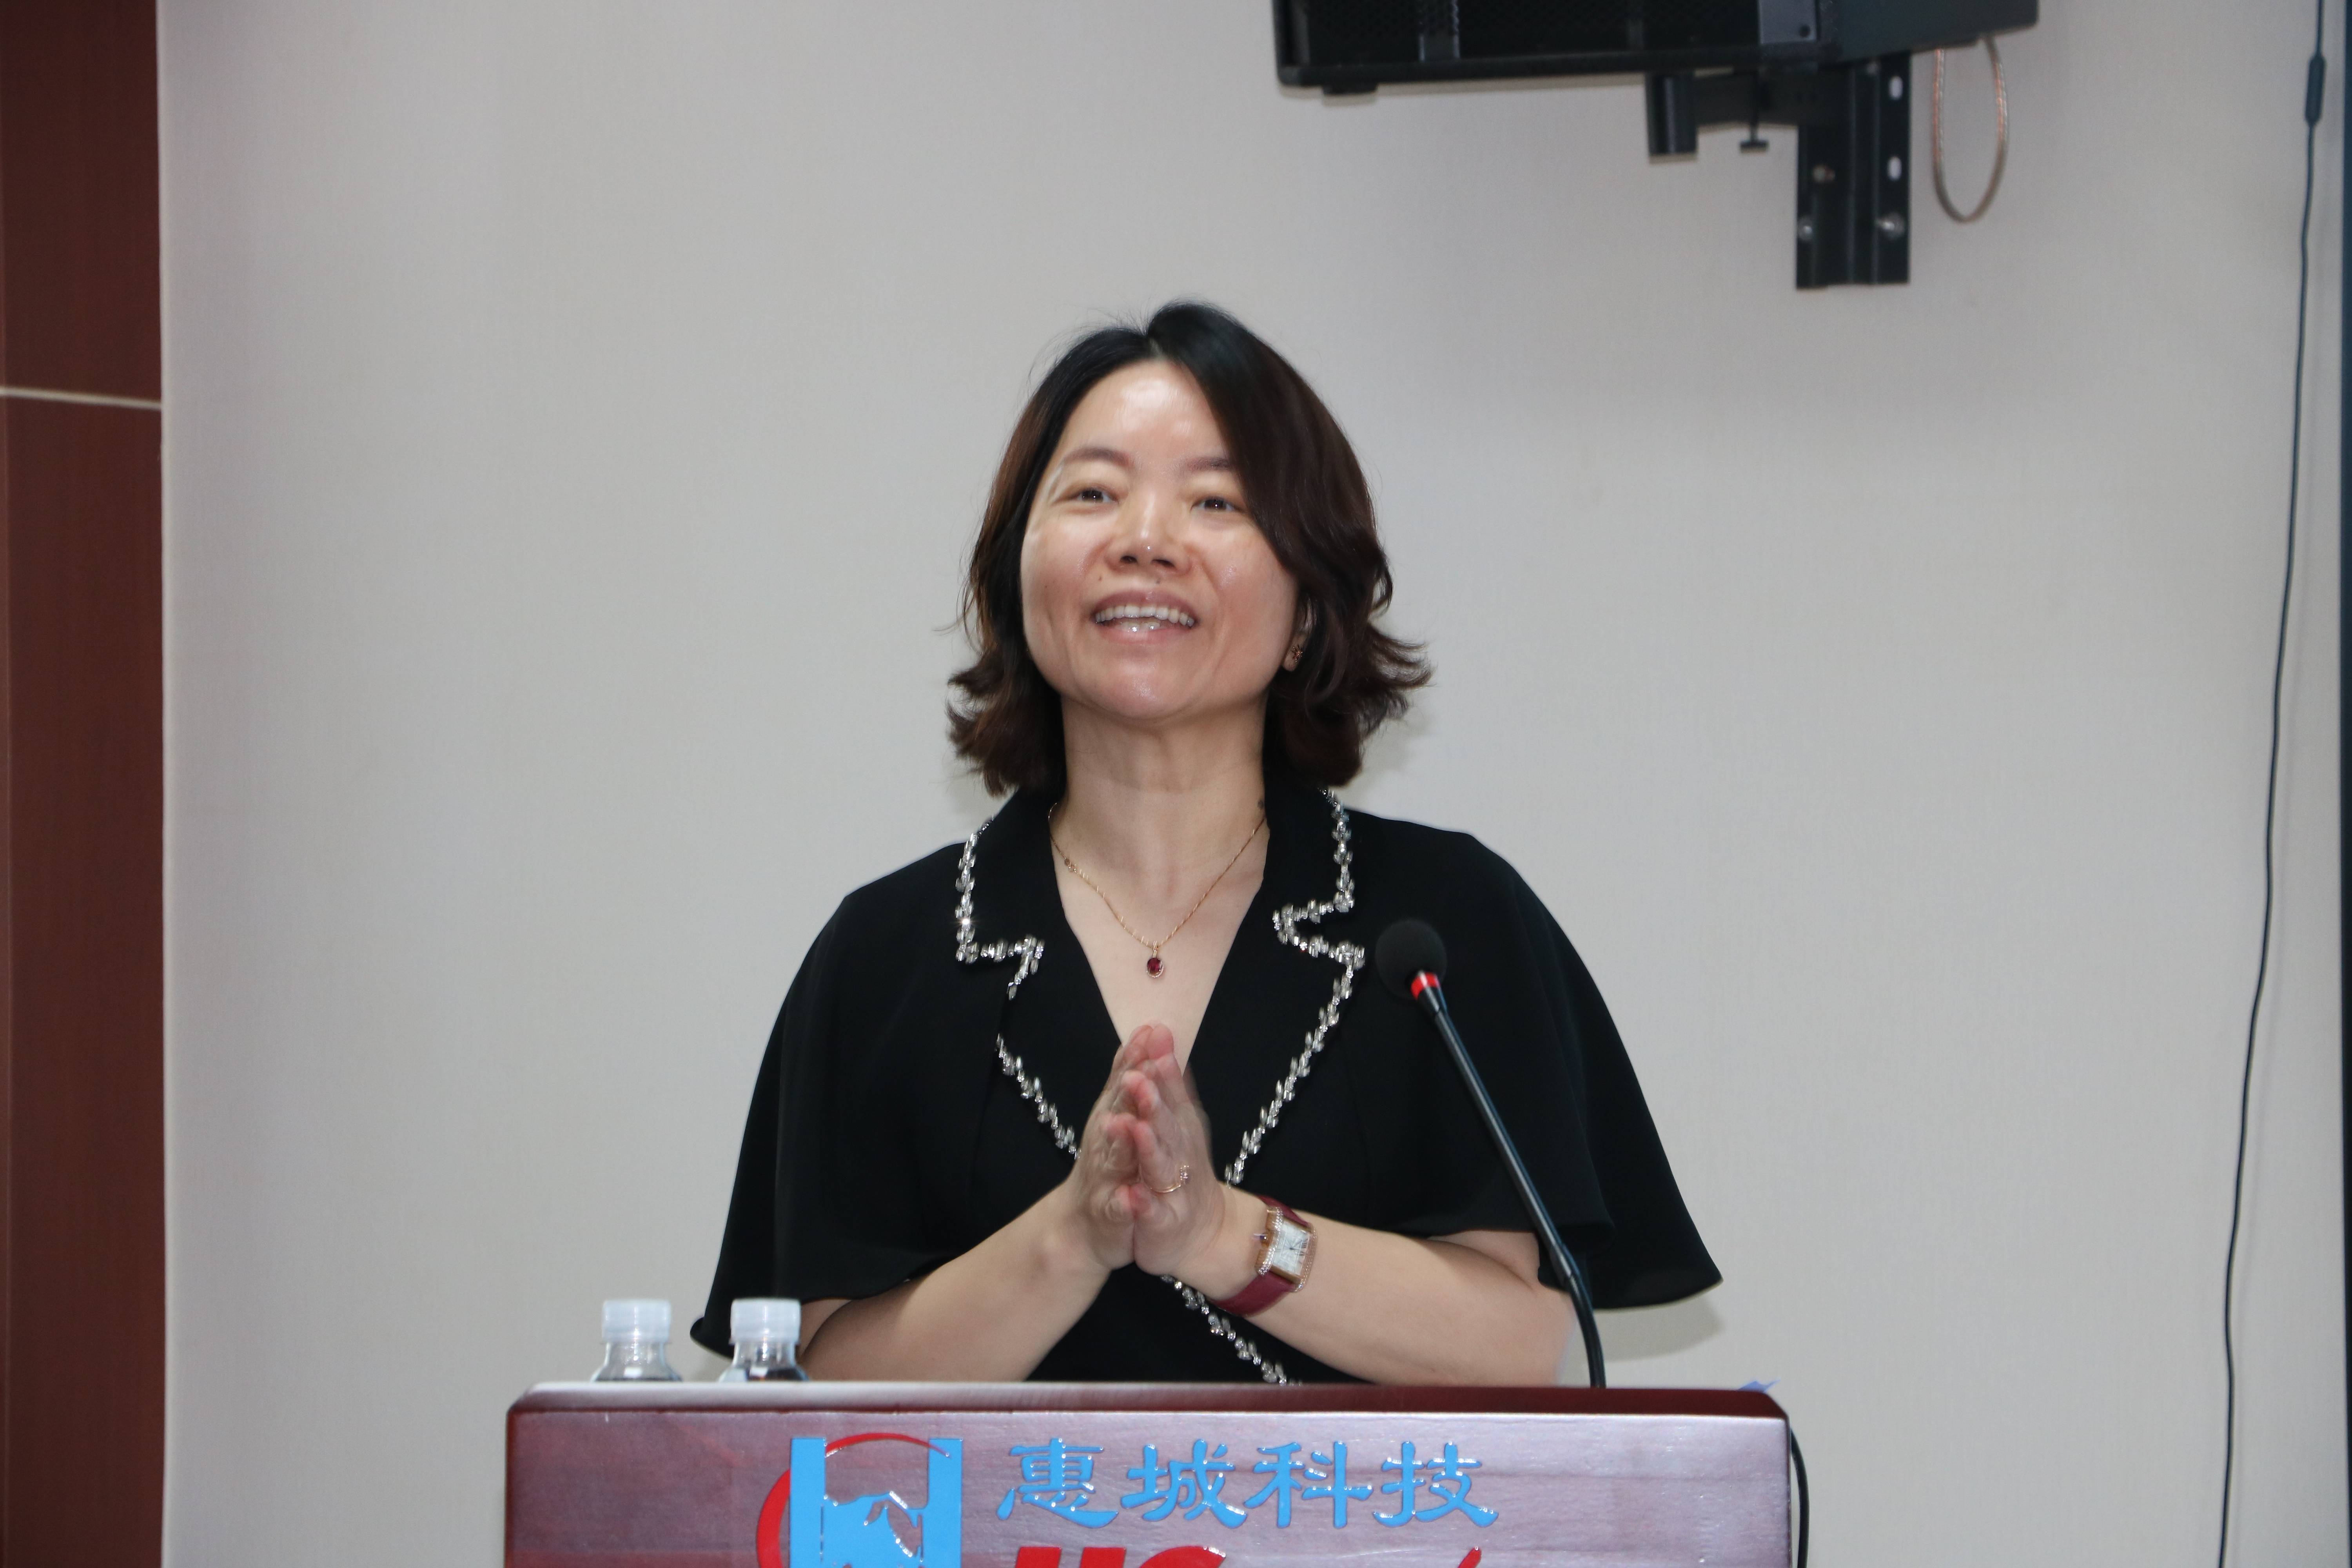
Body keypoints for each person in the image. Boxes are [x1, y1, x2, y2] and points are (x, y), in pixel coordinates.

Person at [693, 303, 1717, 1384]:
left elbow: (1514, 1345)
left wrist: (1222, 1234)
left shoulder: (1440, 926)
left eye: (1217, 501)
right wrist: (1074, 1237)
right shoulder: (888, 956)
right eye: (1093, 494)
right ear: (1017, 580)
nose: (1145, 539)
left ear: (1308, 610)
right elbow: (815, 1388)